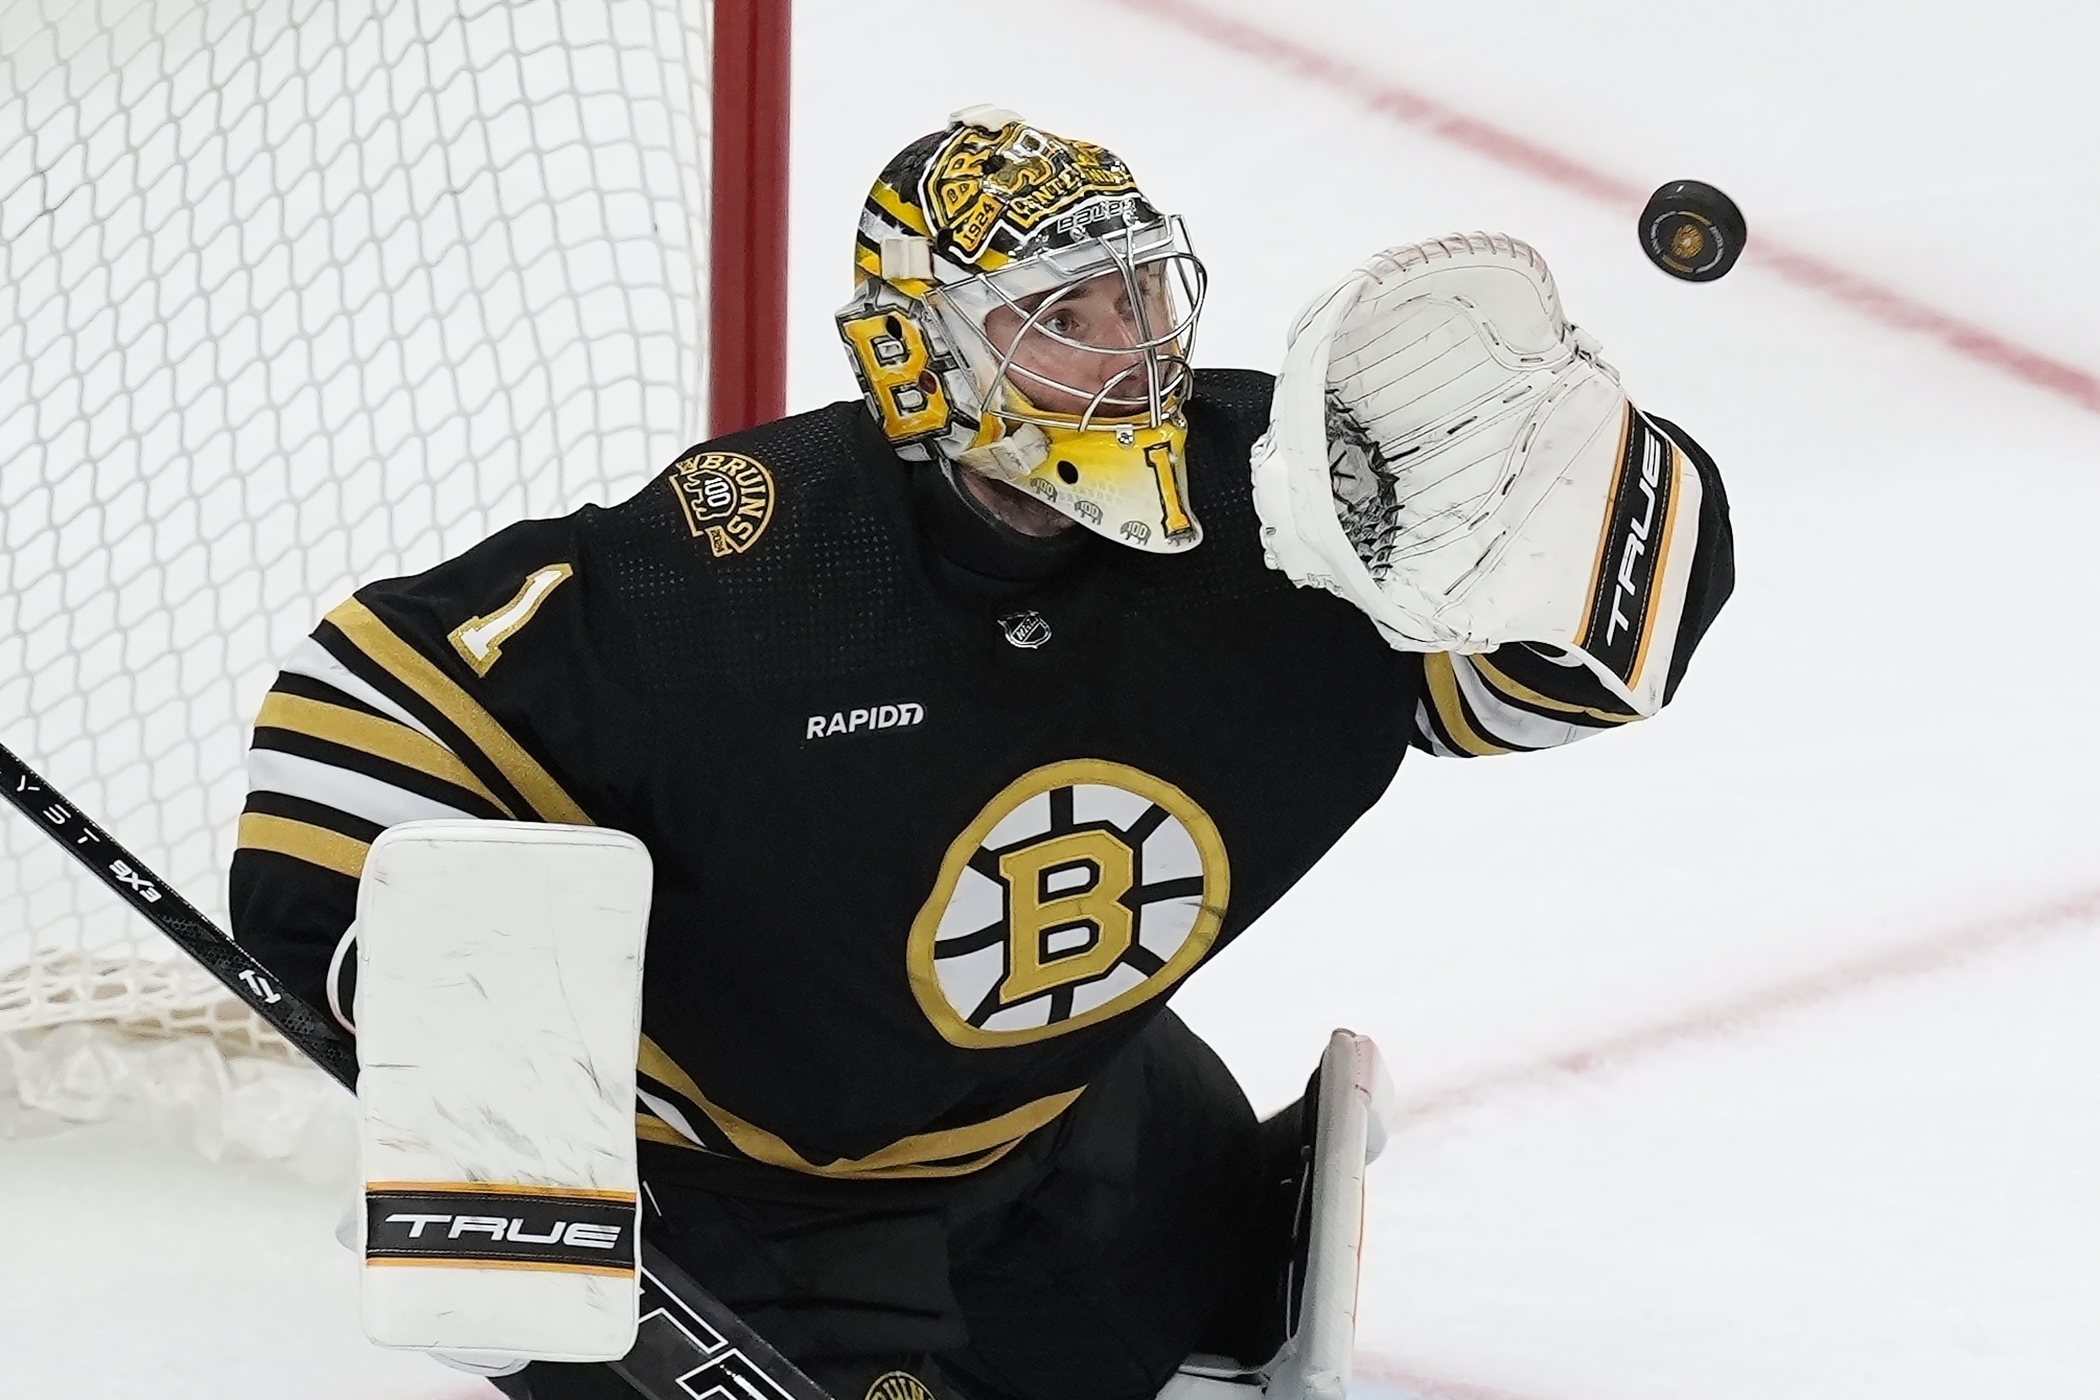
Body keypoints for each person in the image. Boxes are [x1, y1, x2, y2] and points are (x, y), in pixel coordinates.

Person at [230, 108, 1734, 1400]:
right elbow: (374, 699)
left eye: (1140, 299)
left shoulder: (1273, 499)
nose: (1128, 355)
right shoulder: (757, 555)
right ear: (917, 356)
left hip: (1069, 1130)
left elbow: (1499, 688)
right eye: (1060, 318)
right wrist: (456, 1051)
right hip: (740, 1195)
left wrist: (1604, 523)